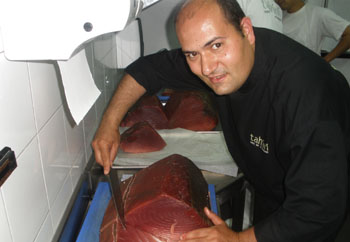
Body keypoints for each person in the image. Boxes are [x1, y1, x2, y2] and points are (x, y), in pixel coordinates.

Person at [92, 0, 350, 241]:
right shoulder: (219, 63)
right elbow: (148, 70)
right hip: (273, 197)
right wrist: (108, 124)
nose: (206, 68)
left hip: (325, 216)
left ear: (246, 31)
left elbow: (320, 207)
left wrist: (238, 239)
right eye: (192, 54)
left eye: (216, 45)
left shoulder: (307, 95)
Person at [275, 0, 350, 62]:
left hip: (306, 74)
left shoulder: (317, 14)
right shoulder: (277, 16)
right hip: (282, 74)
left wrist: (325, 61)